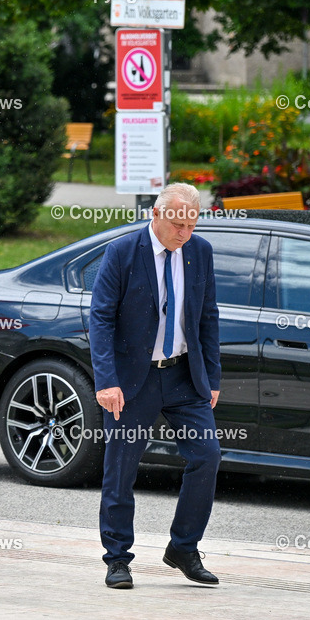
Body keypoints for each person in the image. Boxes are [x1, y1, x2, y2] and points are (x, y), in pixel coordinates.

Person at [88, 182, 221, 590]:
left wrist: (212, 377)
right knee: (121, 468)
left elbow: (208, 317)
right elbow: (100, 318)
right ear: (157, 215)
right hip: (133, 380)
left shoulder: (200, 252)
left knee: (207, 455)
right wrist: (107, 381)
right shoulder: (123, 252)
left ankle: (183, 547)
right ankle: (117, 558)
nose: (185, 233)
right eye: (178, 224)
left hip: (184, 375)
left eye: (191, 225)